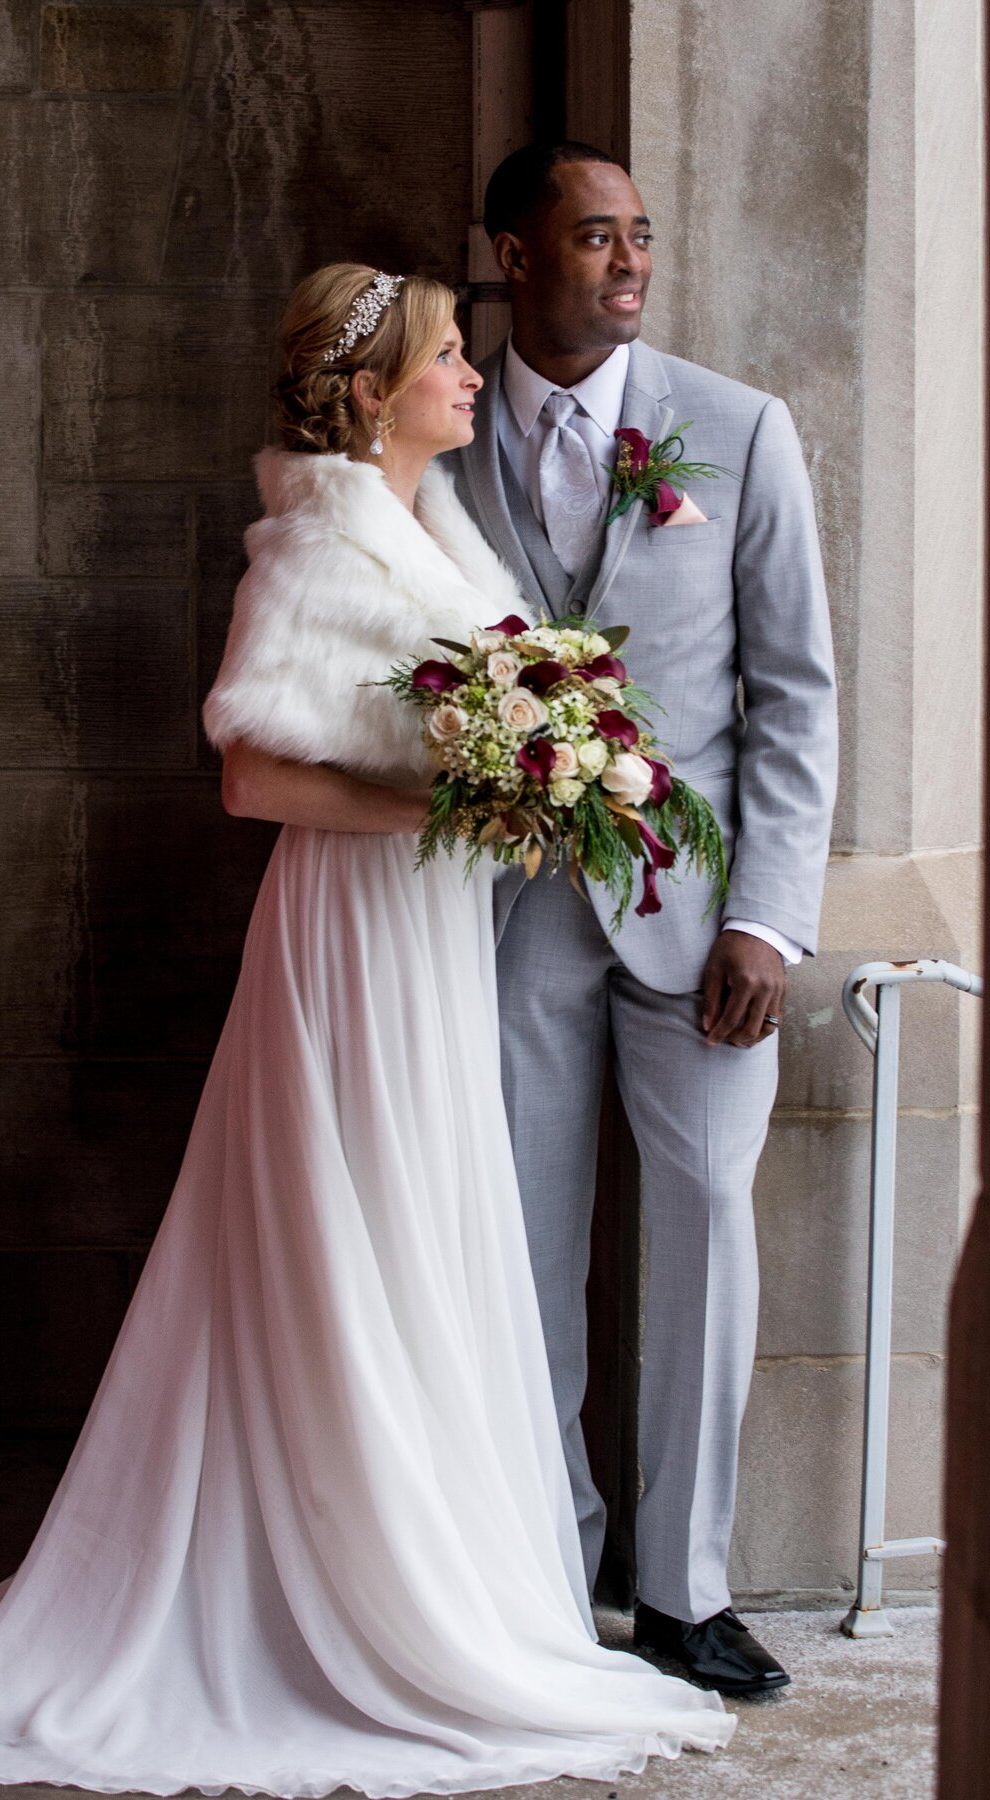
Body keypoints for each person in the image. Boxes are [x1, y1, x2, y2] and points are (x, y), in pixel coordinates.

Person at [0, 264, 735, 1795]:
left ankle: (445, 1573)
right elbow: (251, 777)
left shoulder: (438, 534)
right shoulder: (315, 544)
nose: (473, 378)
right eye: (446, 356)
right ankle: (344, 1596)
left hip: (426, 935)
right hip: (350, 940)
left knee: (423, 1229)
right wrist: (456, 798)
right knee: (338, 1233)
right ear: (368, 394)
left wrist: (530, 782)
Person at [449, 143, 839, 1696]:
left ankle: (684, 1590)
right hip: (514, 915)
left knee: (704, 1232)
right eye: (595, 237)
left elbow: (795, 693)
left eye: (642, 238)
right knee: (524, 1252)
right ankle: (550, 1569)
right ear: (512, 253)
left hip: (705, 929)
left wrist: (775, 918)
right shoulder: (445, 429)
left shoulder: (737, 430)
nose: (629, 264)